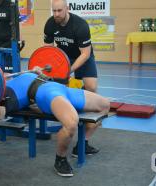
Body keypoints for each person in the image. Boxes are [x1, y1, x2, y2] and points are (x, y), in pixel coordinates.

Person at [0, 71, 110, 177]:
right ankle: (60, 159)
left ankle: (82, 145)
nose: (6, 74)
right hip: (48, 94)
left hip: (61, 88)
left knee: (105, 105)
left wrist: (37, 71)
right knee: (71, 124)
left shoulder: (20, 75)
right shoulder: (5, 92)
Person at [44, 0, 102, 158]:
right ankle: (69, 114)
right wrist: (54, 67)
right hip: (62, 58)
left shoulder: (80, 25)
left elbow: (85, 54)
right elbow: (48, 49)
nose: (56, 14)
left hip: (83, 57)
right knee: (57, 90)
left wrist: (68, 70)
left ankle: (83, 142)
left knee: (91, 87)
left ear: (67, 9)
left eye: (59, 11)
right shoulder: (50, 24)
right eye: (54, 11)